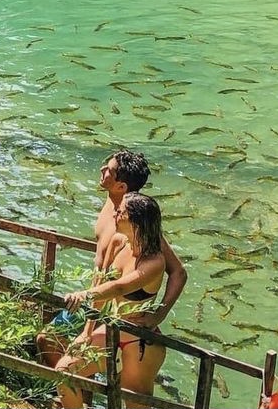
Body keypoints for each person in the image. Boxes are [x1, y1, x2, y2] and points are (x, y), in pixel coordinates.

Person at [36, 148, 186, 367]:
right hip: (96, 296)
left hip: (112, 305)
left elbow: (179, 272)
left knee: (52, 341)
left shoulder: (134, 221)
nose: (102, 169)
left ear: (121, 187)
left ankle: (81, 380)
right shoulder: (110, 203)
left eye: (109, 170)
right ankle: (81, 382)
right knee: (48, 340)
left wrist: (158, 315)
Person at [56, 192, 167, 409]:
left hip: (139, 342)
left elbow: (120, 287)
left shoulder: (155, 262)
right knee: (65, 372)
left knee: (135, 404)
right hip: (110, 329)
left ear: (136, 221)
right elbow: (102, 284)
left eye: (121, 212)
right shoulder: (117, 243)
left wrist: (84, 295)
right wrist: (86, 332)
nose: (115, 214)